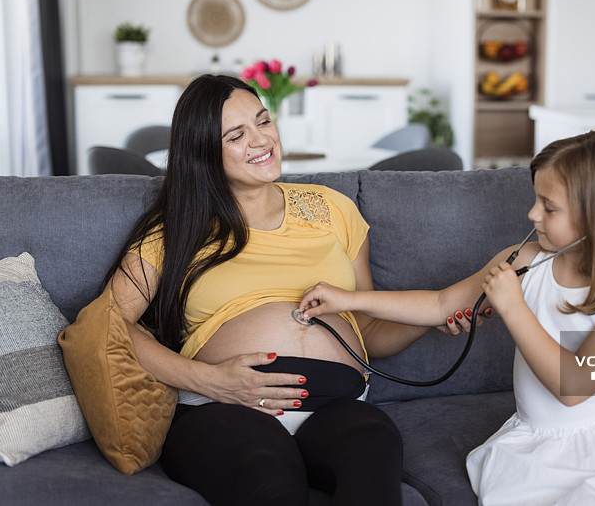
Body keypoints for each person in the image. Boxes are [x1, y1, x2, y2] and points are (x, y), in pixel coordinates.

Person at [104, 74, 456, 506]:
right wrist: (210, 380)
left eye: (263, 121)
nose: (261, 140)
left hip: (336, 403)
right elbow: (108, 324)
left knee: (374, 456)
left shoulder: (332, 209)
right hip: (224, 407)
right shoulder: (174, 230)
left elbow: (369, 334)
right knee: (271, 481)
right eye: (236, 135)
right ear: (202, 154)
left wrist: (432, 317)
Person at [299, 129, 595, 505]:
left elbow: (575, 386)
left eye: (549, 207)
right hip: (534, 440)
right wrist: (349, 300)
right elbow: (440, 304)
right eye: (535, 200)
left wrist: (513, 306)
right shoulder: (526, 259)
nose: (532, 214)